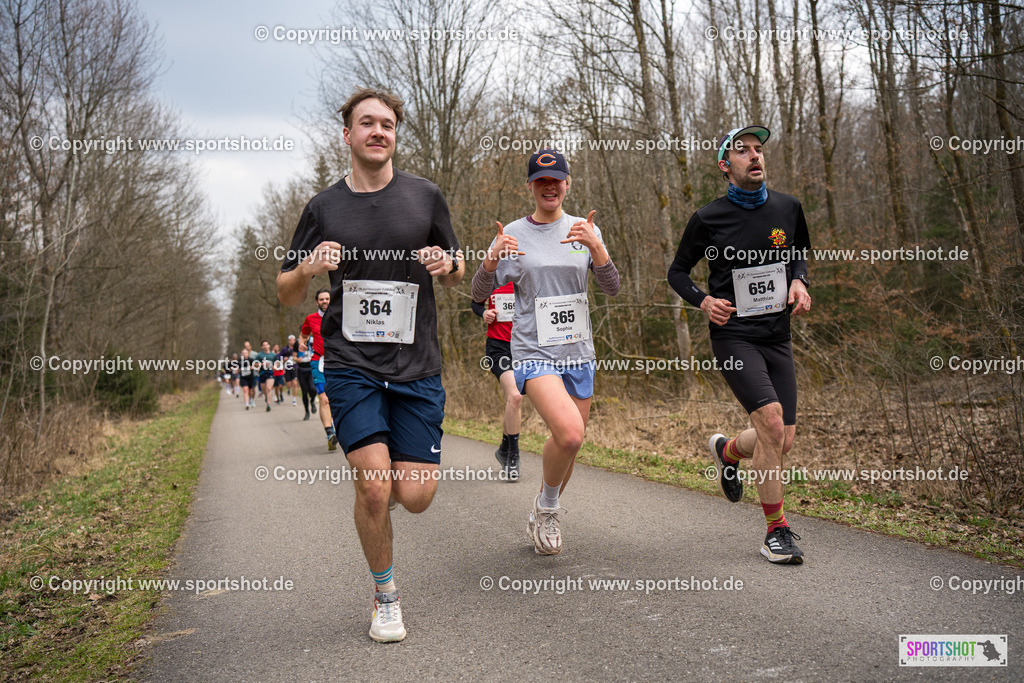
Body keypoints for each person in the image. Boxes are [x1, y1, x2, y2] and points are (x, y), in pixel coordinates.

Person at [277, 87, 463, 643]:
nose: (378, 131)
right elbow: (285, 290)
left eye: (387, 124)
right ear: (348, 134)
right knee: (376, 489)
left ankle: (386, 492)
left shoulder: (426, 196)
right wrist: (307, 268)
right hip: (351, 364)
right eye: (367, 123)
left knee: (416, 497)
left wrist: (447, 264)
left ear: (395, 135)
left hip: (417, 363)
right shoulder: (323, 208)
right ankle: (386, 596)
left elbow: (458, 268)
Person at [667, 125, 812, 565]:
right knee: (771, 422)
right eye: (742, 150)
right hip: (734, 335)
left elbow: (798, 250)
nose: (754, 155)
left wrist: (800, 282)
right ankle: (776, 531)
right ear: (724, 166)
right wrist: (704, 300)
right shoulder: (708, 218)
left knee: (783, 439)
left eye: (758, 149)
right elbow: (677, 272)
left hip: (777, 335)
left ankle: (727, 451)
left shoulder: (788, 207)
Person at [471, 148, 619, 556]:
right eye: (541, 181)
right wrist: (491, 259)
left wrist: (597, 248)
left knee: (571, 443)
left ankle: (541, 508)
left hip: (578, 351)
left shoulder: (584, 229)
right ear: (531, 187)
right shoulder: (513, 234)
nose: (549, 187)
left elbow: (612, 288)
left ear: (567, 184)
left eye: (556, 180)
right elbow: (478, 294)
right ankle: (550, 508)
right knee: (569, 433)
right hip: (534, 351)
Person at [471, 282, 522, 481]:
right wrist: (484, 313)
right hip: (499, 348)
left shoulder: (527, 275)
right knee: (515, 396)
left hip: (524, 348)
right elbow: (475, 303)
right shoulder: (493, 277)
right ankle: (513, 456)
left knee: (512, 400)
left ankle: (503, 449)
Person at [299, 289, 338, 450]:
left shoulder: (339, 315)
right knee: (324, 399)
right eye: (321, 299)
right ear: (316, 302)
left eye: (327, 298)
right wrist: (301, 343)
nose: (325, 301)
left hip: (338, 361)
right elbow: (303, 334)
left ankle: (342, 428)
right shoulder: (311, 319)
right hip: (318, 361)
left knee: (338, 398)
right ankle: (330, 434)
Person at [295, 336, 316, 420]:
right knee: (304, 392)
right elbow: (293, 356)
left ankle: (312, 401)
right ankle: (307, 411)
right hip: (301, 370)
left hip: (311, 369)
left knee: (313, 389)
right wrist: (297, 359)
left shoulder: (313, 341)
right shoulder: (297, 343)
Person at [253, 340, 277, 412]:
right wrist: (260, 364)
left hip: (270, 373)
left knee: (269, 388)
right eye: (264, 345)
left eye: (267, 344)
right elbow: (254, 364)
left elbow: (277, 362)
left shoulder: (273, 355)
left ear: (269, 345)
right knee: (264, 390)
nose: (266, 346)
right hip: (262, 373)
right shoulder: (259, 355)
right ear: (262, 347)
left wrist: (275, 366)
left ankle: (268, 404)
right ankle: (266, 396)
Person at [283, 334, 299, 405]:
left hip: (295, 367)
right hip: (287, 368)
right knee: (289, 384)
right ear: (288, 341)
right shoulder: (285, 349)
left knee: (295, 384)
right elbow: (279, 356)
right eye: (290, 340)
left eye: (293, 340)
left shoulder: (297, 348)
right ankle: (288, 389)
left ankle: (294, 400)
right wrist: (284, 359)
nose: (292, 341)